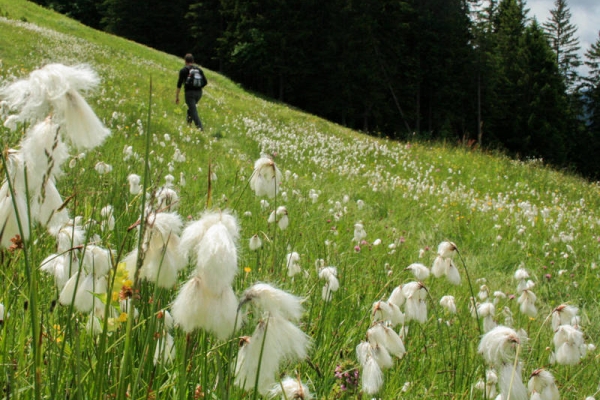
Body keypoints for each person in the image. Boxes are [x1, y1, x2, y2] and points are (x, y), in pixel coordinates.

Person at [175, 53, 207, 130]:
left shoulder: (183, 70)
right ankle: (188, 125)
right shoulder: (199, 70)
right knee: (191, 108)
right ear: (193, 61)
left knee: (193, 111)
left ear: (185, 61)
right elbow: (205, 82)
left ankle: (200, 129)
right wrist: (198, 87)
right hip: (199, 93)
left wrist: (177, 97)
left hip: (189, 94)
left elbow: (179, 84)